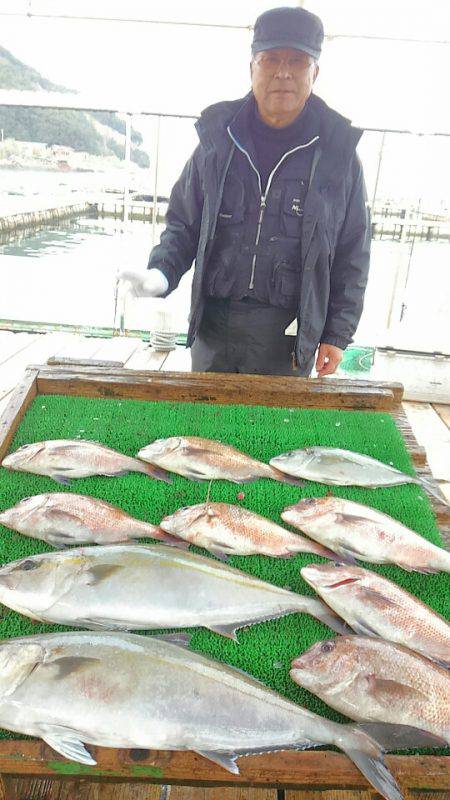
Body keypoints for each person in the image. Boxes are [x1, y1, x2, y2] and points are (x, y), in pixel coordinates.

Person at [121, 6, 370, 377]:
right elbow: (183, 225)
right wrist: (161, 273)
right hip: (214, 328)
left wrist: (337, 332)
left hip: (289, 335)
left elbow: (354, 251)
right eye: (270, 59)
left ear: (315, 71)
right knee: (203, 427)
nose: (283, 72)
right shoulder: (216, 142)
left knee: (277, 433)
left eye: (297, 60)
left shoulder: (338, 155)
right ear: (252, 67)